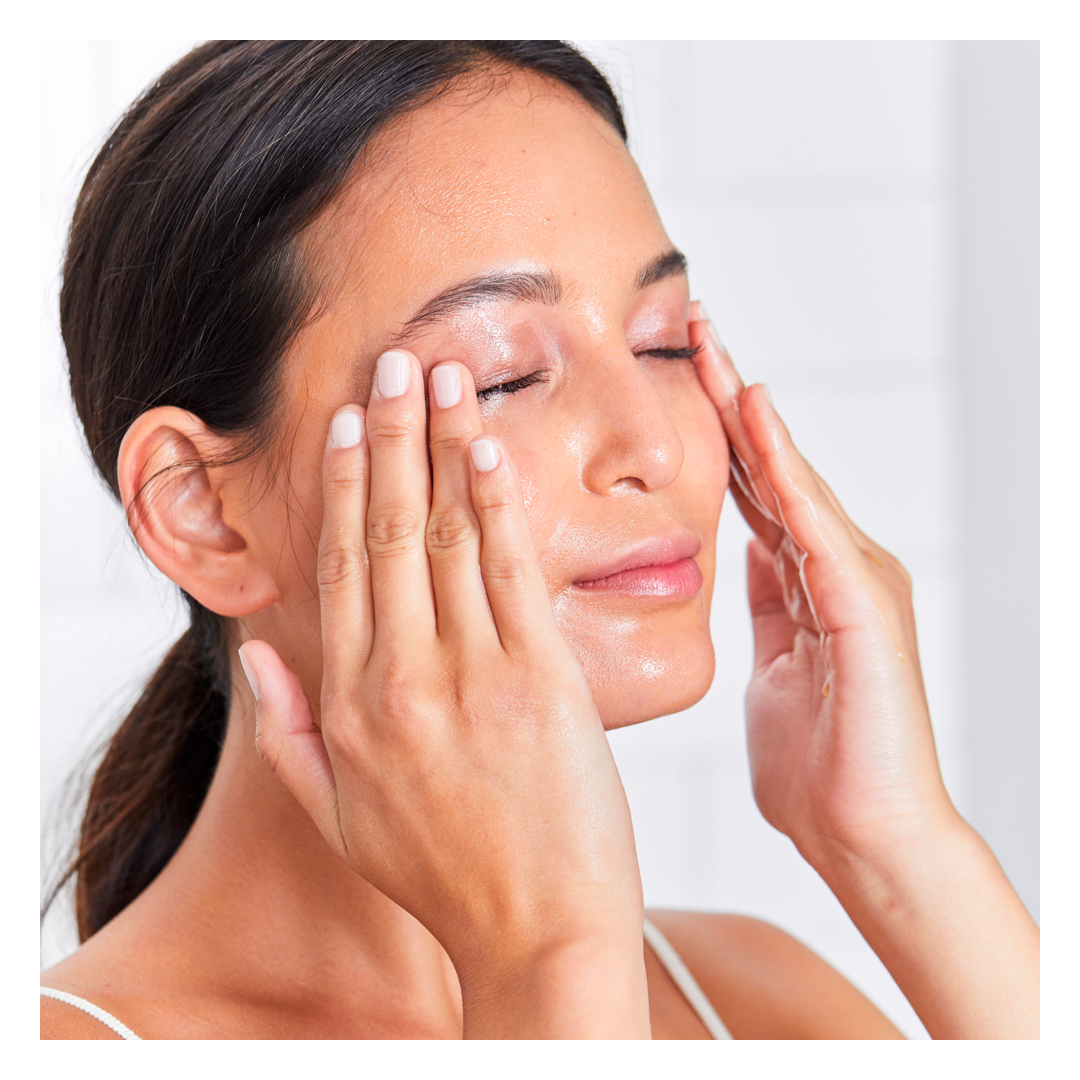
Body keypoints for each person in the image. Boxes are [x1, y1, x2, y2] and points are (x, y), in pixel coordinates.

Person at [40, 40, 1039, 1040]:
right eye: (502, 377)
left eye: (662, 343)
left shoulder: (757, 995)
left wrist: (902, 850)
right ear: (202, 512)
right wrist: (546, 961)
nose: (654, 445)